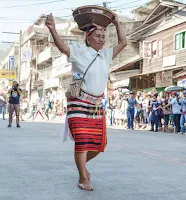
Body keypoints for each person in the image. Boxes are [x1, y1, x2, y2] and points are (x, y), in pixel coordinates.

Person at [46, 12, 127, 191]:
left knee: (99, 144)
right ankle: (83, 177)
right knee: (82, 141)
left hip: (97, 105)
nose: (101, 39)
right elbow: (62, 48)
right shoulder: (79, 51)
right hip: (79, 103)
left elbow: (123, 43)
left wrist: (117, 24)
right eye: (97, 36)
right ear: (88, 37)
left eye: (104, 36)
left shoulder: (106, 55)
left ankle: (81, 165)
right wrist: (53, 30)